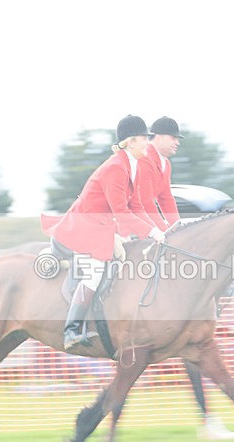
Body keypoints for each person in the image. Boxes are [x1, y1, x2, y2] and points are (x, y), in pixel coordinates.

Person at [136, 116, 234, 441]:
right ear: (158, 137)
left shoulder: (164, 165)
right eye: (173, 137)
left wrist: (177, 229)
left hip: (157, 234)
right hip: (135, 233)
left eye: (178, 138)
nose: (177, 142)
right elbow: (141, 204)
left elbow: (166, 202)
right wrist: (163, 233)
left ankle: (208, 420)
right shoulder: (144, 161)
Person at [47, 115, 165, 351]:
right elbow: (121, 212)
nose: (148, 144)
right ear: (130, 142)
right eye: (144, 139)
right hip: (82, 227)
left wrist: (161, 230)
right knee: (95, 270)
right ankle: (71, 329)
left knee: (127, 256)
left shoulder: (133, 166)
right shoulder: (115, 167)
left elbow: (137, 207)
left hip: (100, 226)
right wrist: (151, 231)